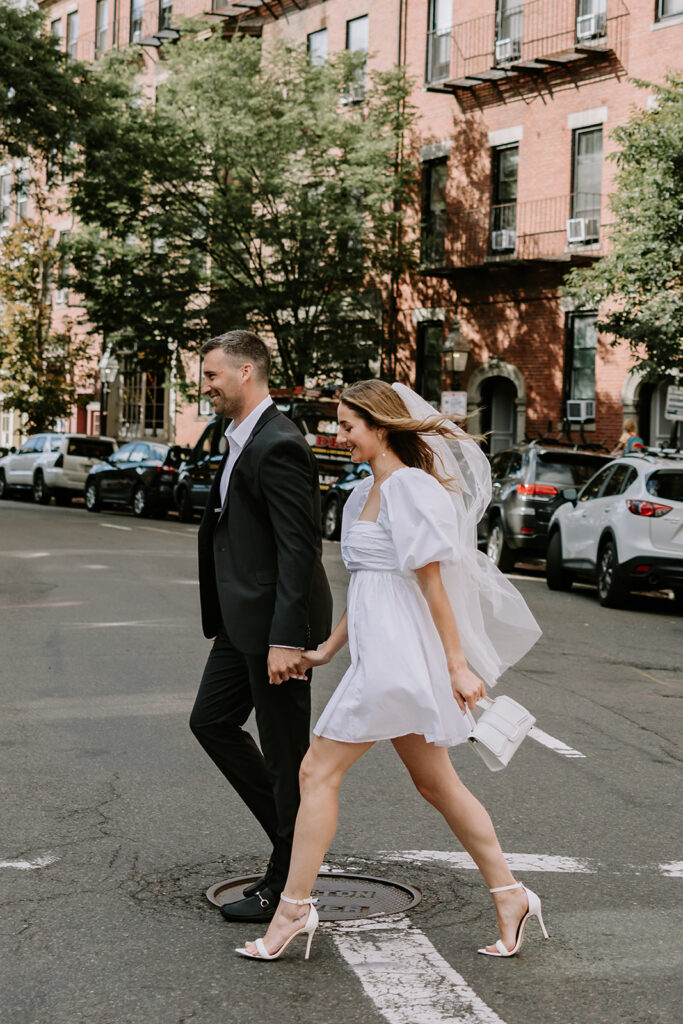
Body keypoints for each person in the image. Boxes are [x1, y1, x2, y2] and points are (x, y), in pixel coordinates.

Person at [235, 379, 546, 962]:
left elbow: (430, 585)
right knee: (437, 784)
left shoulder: (411, 489)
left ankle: (294, 908)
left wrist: (457, 665)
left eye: (349, 426)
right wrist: (328, 650)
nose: (340, 435)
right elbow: (372, 583)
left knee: (315, 773)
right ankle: (512, 895)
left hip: (400, 659)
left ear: (381, 428)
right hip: (376, 655)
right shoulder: (360, 495)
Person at [190, 330, 333, 923]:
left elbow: (300, 550)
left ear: (246, 372)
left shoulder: (278, 443)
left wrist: (286, 639)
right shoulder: (240, 437)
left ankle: (288, 884)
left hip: (276, 627)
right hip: (239, 622)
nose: (206, 385)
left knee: (286, 756)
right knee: (211, 721)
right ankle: (289, 845)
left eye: (212, 375)